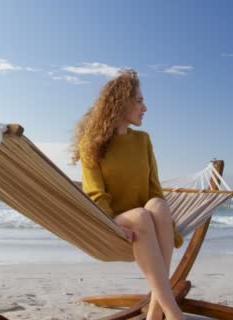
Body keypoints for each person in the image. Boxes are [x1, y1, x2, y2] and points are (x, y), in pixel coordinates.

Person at [70, 69, 185, 320]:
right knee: (142, 216)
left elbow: (154, 187)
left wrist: (169, 227)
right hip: (115, 221)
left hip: (147, 219)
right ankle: (174, 314)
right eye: (140, 101)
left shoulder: (143, 140)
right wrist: (110, 223)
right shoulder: (91, 143)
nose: (145, 107)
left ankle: (155, 312)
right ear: (121, 103)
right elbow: (95, 192)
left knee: (157, 205)